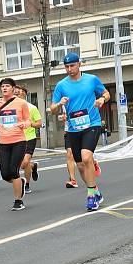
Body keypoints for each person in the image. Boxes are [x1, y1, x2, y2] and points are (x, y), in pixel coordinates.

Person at [49, 53, 110, 211]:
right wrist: (59, 104)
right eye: (67, 67)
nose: (69, 69)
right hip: (74, 128)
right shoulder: (61, 85)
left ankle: (91, 196)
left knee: (86, 157)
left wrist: (101, 100)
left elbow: (106, 94)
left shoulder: (91, 79)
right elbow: (52, 109)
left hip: (92, 123)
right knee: (81, 165)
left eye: (72, 66)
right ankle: (95, 190)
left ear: (79, 64)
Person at [0, 78, 32, 211]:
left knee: (14, 171)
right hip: (3, 142)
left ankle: (18, 201)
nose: (4, 88)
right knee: (5, 174)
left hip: (19, 141)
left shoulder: (21, 103)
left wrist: (24, 124)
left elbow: (28, 121)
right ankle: (20, 182)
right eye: (2, 86)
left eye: (7, 86)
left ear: (13, 88)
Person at [14, 85, 42, 194]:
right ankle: (33, 166)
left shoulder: (32, 108)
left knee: (24, 163)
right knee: (21, 164)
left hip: (29, 138)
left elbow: (39, 123)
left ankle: (26, 184)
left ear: (24, 94)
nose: (16, 94)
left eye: (18, 92)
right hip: (17, 138)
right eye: (15, 92)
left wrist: (31, 123)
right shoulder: (11, 108)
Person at [56, 109, 79, 188]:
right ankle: (73, 180)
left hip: (82, 129)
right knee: (70, 154)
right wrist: (63, 117)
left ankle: (92, 161)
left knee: (84, 156)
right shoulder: (63, 103)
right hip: (69, 131)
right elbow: (59, 116)